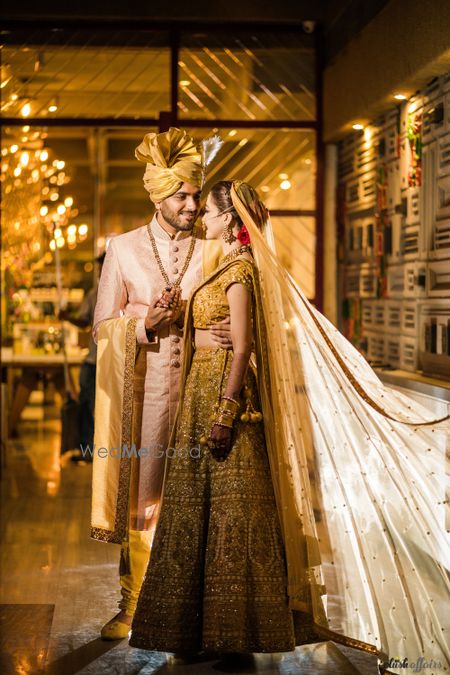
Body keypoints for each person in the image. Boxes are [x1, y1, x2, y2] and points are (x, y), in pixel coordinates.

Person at [130, 180, 450, 666]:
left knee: (234, 520)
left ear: (232, 219)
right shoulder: (226, 267)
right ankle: (196, 630)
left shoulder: (240, 272)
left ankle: (233, 633)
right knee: (203, 515)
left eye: (212, 212)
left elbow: (242, 348)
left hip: (223, 401)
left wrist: (225, 412)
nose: (203, 218)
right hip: (201, 394)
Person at [91, 128, 230, 640]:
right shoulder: (123, 249)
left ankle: (191, 608)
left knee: (196, 497)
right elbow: (103, 327)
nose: (193, 205)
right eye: (183, 196)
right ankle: (132, 602)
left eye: (196, 195)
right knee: (143, 495)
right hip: (144, 395)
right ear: (159, 198)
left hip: (201, 392)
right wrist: (146, 324)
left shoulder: (214, 252)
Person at [59, 252, 105, 462]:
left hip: (111, 362)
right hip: (93, 360)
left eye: (103, 266)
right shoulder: (94, 294)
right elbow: (85, 322)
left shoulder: (129, 292)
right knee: (86, 403)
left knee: (106, 407)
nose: (101, 272)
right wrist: (68, 318)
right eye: (99, 268)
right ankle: (88, 448)